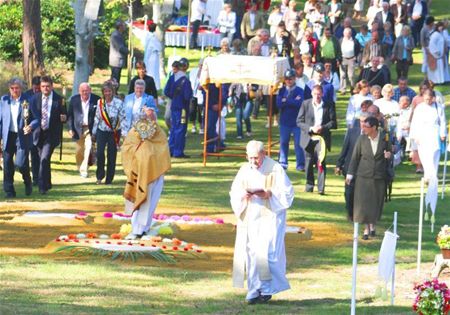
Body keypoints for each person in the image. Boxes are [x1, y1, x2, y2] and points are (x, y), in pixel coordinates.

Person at [229, 140, 294, 304]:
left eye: (256, 158)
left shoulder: (275, 169)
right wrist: (244, 196)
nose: (253, 162)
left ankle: (267, 289)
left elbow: (287, 194)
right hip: (251, 216)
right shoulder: (244, 169)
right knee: (251, 253)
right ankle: (254, 289)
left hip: (271, 216)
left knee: (268, 253)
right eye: (250, 158)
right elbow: (234, 192)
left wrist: (268, 194)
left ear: (264, 154)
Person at [122, 96, 171, 240]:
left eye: (153, 112)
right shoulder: (136, 131)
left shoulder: (159, 131)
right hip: (140, 172)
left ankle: (145, 227)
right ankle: (137, 229)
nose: (152, 115)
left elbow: (162, 148)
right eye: (149, 112)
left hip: (156, 171)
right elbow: (128, 148)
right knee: (142, 200)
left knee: (152, 201)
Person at [346, 116, 392, 239]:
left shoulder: (385, 138)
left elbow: (390, 152)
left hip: (379, 176)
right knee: (364, 203)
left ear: (374, 127)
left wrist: (389, 155)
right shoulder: (361, 139)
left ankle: (373, 225)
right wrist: (350, 174)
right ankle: (366, 229)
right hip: (363, 176)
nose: (363, 128)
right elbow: (355, 158)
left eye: (366, 126)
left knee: (376, 202)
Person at [409, 89, 446, 217]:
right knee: (425, 155)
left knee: (434, 155)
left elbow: (442, 121)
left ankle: (432, 175)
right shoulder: (419, 108)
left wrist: (443, 134)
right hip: (422, 133)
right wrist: (414, 135)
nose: (427, 101)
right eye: (425, 99)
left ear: (433, 98)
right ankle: (428, 174)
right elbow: (414, 122)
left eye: (429, 99)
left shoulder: (438, 107)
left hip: (434, 132)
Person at [28, 76, 67, 195]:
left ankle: (42, 186)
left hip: (51, 134)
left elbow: (65, 114)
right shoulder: (34, 99)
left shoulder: (59, 99)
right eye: (43, 86)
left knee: (44, 158)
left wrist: (64, 118)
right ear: (40, 87)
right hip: (38, 134)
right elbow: (30, 115)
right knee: (43, 160)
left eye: (48, 86)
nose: (45, 88)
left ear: (52, 86)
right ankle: (48, 182)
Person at [297, 85, 337, 194]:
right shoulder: (305, 104)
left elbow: (334, 123)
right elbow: (299, 122)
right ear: (311, 94)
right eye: (315, 94)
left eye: (319, 94)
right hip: (308, 137)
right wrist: (311, 128)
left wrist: (322, 128)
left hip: (322, 138)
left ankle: (321, 189)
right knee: (308, 163)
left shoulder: (329, 105)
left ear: (322, 94)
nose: (317, 96)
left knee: (321, 162)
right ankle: (309, 186)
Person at [336, 105, 371, 220]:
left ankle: (361, 213)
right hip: (350, 168)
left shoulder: (373, 135)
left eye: (365, 121)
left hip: (365, 169)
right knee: (349, 193)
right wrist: (339, 164)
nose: (362, 124)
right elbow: (345, 149)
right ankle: (350, 212)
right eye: (361, 121)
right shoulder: (352, 132)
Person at [0, 78, 33, 198]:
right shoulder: (4, 100)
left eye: (17, 88)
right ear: (9, 89)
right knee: (7, 164)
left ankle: (27, 180)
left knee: (21, 164)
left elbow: (36, 118)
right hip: (8, 135)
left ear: (21, 88)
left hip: (22, 136)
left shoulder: (28, 100)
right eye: (12, 88)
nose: (15, 90)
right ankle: (9, 191)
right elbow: (1, 120)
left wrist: (30, 126)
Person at [92, 81, 125, 185]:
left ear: (113, 91)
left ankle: (109, 179)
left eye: (109, 91)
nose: (107, 93)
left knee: (112, 155)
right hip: (102, 130)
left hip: (114, 132)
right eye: (105, 91)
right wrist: (94, 132)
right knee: (100, 153)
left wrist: (123, 133)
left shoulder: (119, 103)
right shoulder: (100, 103)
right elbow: (97, 117)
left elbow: (123, 118)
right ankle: (99, 176)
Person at [67, 82, 101, 178]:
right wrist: (70, 128)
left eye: (87, 90)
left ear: (90, 90)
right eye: (83, 91)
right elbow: (70, 116)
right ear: (79, 91)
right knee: (79, 151)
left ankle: (84, 169)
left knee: (88, 147)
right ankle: (80, 167)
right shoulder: (74, 100)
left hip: (90, 128)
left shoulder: (96, 99)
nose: (85, 93)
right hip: (78, 128)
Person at [163, 58, 193, 158]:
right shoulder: (186, 81)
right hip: (182, 108)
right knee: (180, 129)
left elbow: (166, 91)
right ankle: (178, 151)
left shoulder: (172, 78)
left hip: (174, 106)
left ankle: (171, 149)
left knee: (173, 128)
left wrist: (174, 97)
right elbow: (187, 96)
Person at [277, 69, 305, 171]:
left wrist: (286, 100)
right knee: (284, 142)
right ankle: (283, 162)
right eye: (287, 79)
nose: (289, 81)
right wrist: (292, 101)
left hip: (297, 122)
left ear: (295, 79)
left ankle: (300, 164)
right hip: (285, 121)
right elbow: (279, 104)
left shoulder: (300, 90)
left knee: (298, 144)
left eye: (291, 79)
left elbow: (299, 103)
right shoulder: (281, 91)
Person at [23, 76, 41, 185]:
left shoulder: (45, 95)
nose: (36, 91)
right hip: (27, 128)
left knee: (38, 154)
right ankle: (31, 177)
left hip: (40, 128)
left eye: (38, 89)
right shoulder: (26, 95)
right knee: (30, 153)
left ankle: (38, 177)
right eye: (35, 89)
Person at [340, 27, 361, 94]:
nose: (347, 34)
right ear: (343, 33)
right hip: (343, 59)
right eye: (345, 33)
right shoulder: (340, 40)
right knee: (342, 75)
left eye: (348, 33)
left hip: (352, 59)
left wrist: (356, 57)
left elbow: (358, 49)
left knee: (351, 76)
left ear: (351, 34)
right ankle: (343, 90)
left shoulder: (355, 40)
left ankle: (352, 89)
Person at [109, 20, 129, 88]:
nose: (125, 27)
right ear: (120, 26)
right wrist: (128, 51)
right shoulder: (116, 35)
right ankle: (113, 91)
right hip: (116, 60)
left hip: (118, 60)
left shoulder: (118, 34)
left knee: (117, 76)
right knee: (115, 77)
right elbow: (120, 47)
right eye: (123, 25)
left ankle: (114, 91)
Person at [143, 24, 162, 90]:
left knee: (148, 70)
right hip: (153, 57)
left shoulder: (146, 36)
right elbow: (159, 47)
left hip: (148, 56)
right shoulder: (154, 38)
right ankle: (154, 85)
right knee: (153, 71)